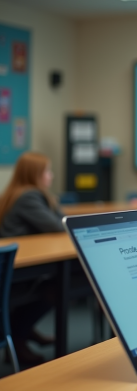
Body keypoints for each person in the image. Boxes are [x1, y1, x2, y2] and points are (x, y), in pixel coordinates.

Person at [0, 152, 60, 365]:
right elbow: (56, 225)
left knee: (57, 282)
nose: (51, 176)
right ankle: (18, 335)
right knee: (56, 288)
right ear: (35, 174)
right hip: (15, 273)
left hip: (15, 267)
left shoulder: (25, 193)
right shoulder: (27, 196)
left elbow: (56, 219)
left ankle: (23, 331)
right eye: (47, 171)